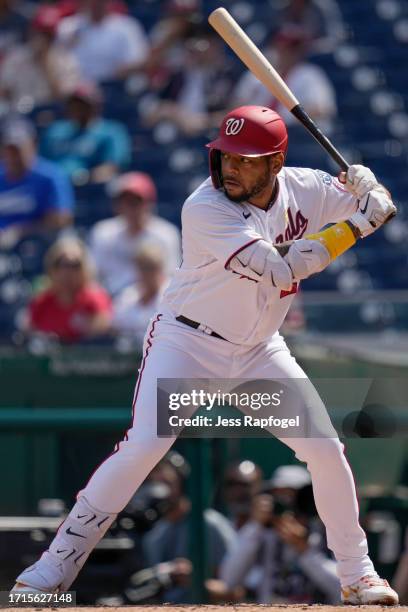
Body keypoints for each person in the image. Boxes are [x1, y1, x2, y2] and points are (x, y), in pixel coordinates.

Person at [12, 105, 399, 605]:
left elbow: (371, 205)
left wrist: (370, 191)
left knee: (325, 449)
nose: (231, 168)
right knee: (142, 448)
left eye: (246, 160)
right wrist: (358, 225)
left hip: (257, 353)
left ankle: (358, 574)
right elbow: (279, 268)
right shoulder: (205, 207)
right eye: (225, 156)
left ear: (275, 163)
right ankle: (50, 573)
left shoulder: (307, 187)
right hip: (189, 345)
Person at [220, 466, 341, 603]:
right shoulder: (264, 534)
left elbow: (344, 588)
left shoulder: (325, 533)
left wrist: (306, 552)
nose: (288, 506)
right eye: (280, 498)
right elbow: (229, 579)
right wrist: (255, 525)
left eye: (293, 497)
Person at [143, 453, 236, 603]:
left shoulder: (210, 524)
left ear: (183, 484)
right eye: (154, 483)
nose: (160, 491)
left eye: (166, 483)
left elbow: (236, 591)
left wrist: (196, 580)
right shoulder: (153, 533)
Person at [89, 172, 181, 296]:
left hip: (152, 303)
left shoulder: (165, 234)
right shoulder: (103, 232)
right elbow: (94, 276)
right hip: (111, 301)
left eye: (135, 202)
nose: (130, 208)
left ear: (149, 204)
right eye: (124, 202)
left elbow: (170, 277)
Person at [232, 25, 337, 134]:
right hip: (255, 133)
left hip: (294, 136)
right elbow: (237, 106)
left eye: (294, 47)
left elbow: (321, 110)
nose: (288, 52)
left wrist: (279, 124)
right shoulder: (256, 75)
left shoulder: (311, 75)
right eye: (284, 46)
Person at [40, 82, 131, 184]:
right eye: (74, 105)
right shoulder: (55, 131)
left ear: (96, 106)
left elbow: (112, 167)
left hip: (91, 190)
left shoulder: (112, 131)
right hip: (54, 186)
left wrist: (83, 178)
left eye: (83, 105)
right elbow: (41, 164)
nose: (78, 109)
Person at [0, 118, 73, 245]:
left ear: (33, 144)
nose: (14, 155)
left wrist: (20, 231)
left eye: (18, 148)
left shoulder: (51, 175)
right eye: (9, 149)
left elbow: (61, 219)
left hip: (40, 244)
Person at [28, 237, 112, 343]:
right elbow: (30, 333)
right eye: (60, 264)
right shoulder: (42, 302)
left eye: (74, 265)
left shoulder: (95, 299)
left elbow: (98, 332)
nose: (67, 271)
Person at [0, 5, 80, 110]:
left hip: (53, 113)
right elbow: (4, 91)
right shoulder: (16, 57)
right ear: (31, 31)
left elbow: (64, 97)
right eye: (39, 32)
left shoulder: (65, 60)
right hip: (21, 114)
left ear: (53, 36)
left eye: (47, 34)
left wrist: (45, 64)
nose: (41, 38)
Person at [57, 0, 149, 82]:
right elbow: (57, 61)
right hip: (75, 88)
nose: (96, 3)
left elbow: (139, 61)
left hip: (114, 86)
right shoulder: (68, 27)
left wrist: (107, 73)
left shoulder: (127, 27)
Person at [113, 244, 169, 344]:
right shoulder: (128, 295)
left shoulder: (171, 296)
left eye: (151, 267)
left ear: (161, 268)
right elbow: (116, 327)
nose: (147, 273)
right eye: (143, 267)